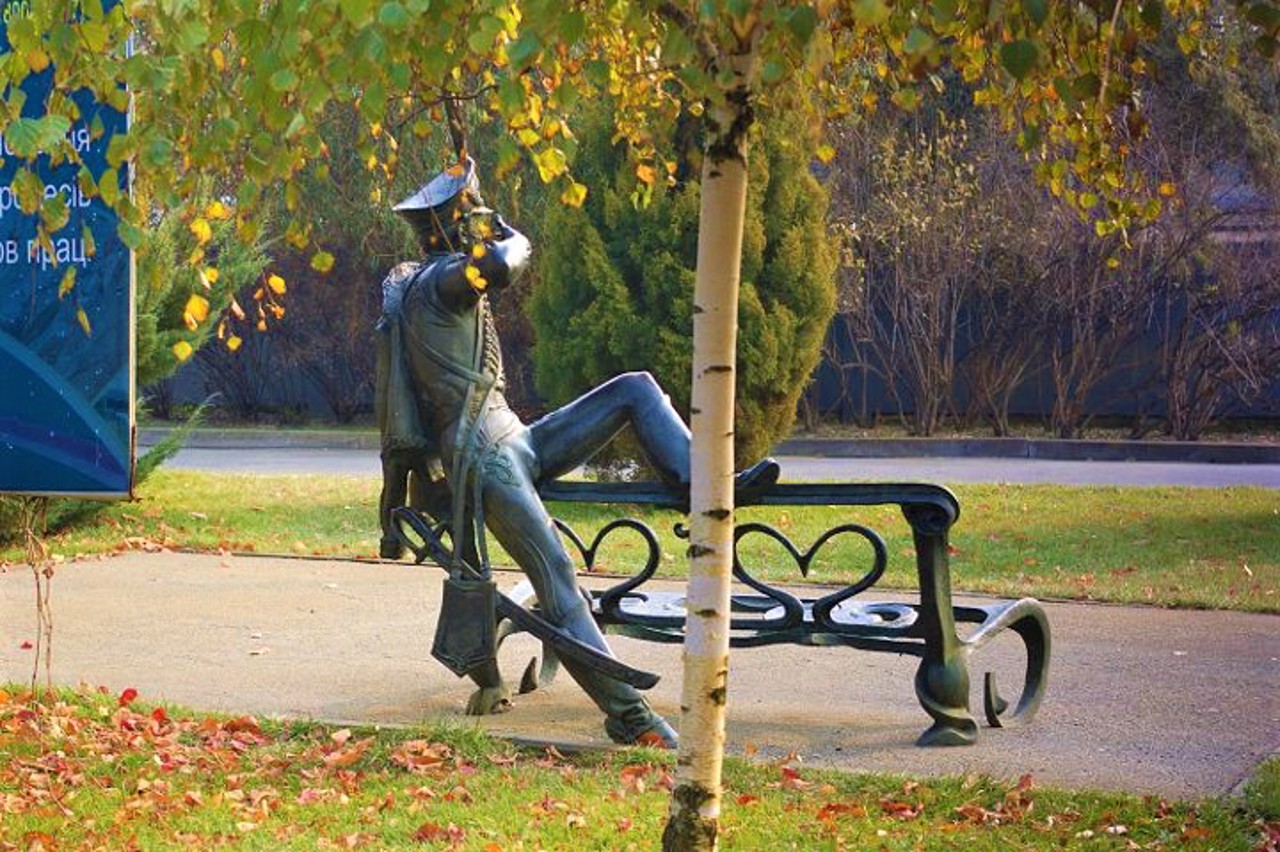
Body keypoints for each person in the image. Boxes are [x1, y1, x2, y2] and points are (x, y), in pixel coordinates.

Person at [377, 157, 778, 748]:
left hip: (515, 438)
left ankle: (707, 482)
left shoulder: (435, 281)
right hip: (485, 456)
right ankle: (630, 717)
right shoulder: (438, 284)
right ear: (457, 226)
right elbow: (502, 262)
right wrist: (506, 231)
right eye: (472, 218)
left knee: (634, 388)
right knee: (558, 579)